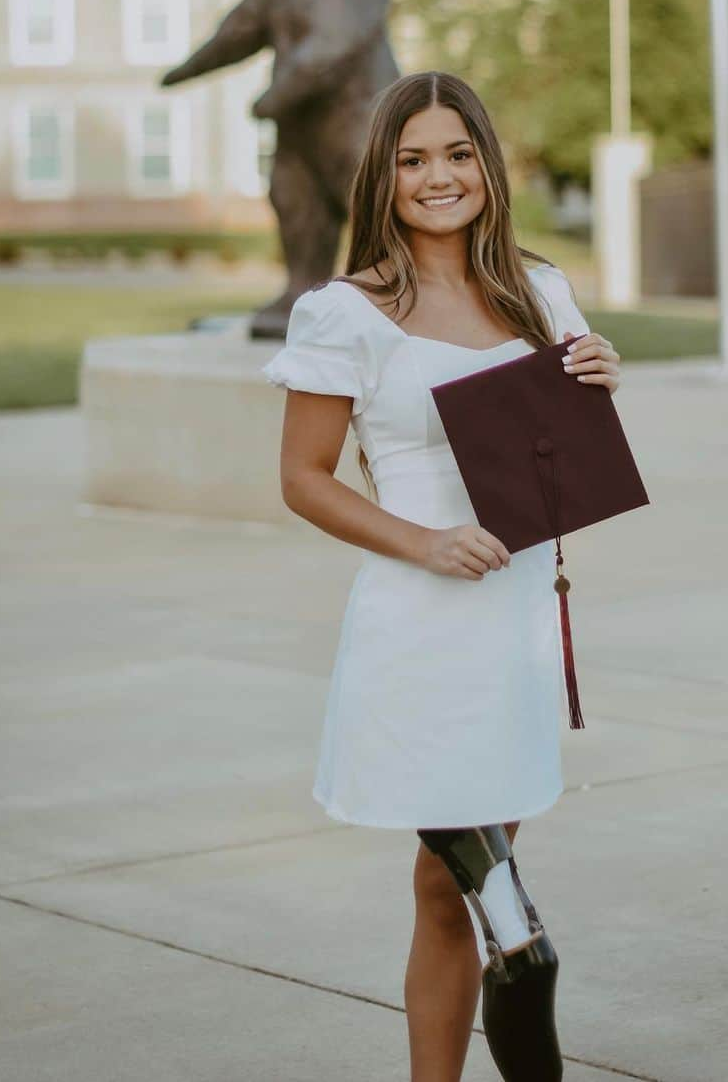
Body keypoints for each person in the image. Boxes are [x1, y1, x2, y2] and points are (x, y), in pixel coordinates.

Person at [261, 70, 620, 1082]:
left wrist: (597, 377)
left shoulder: (538, 289)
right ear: (385, 173)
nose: (439, 176)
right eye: (414, 158)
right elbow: (300, 479)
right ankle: (504, 1006)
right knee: (471, 890)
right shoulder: (348, 311)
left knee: (456, 879)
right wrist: (421, 543)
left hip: (512, 623)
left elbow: (564, 452)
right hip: (419, 624)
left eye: (458, 153)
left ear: (487, 166)